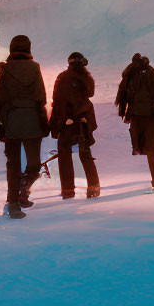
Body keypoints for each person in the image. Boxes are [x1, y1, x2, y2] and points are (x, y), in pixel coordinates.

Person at [0, 35, 48, 219]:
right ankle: (24, 188)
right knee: (34, 163)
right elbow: (41, 97)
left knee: (13, 164)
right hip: (32, 120)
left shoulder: (5, 70)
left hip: (11, 121)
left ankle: (14, 202)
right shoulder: (35, 68)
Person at [49, 52, 100, 199]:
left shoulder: (62, 77)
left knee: (64, 153)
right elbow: (90, 93)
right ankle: (93, 186)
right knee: (85, 153)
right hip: (83, 119)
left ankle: (67, 190)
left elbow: (57, 101)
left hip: (67, 120)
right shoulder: (86, 78)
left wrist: (55, 124)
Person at [115, 53, 154, 191]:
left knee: (149, 148)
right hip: (152, 115)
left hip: (138, 117)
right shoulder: (150, 72)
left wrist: (125, 113)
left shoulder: (129, 73)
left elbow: (123, 96)